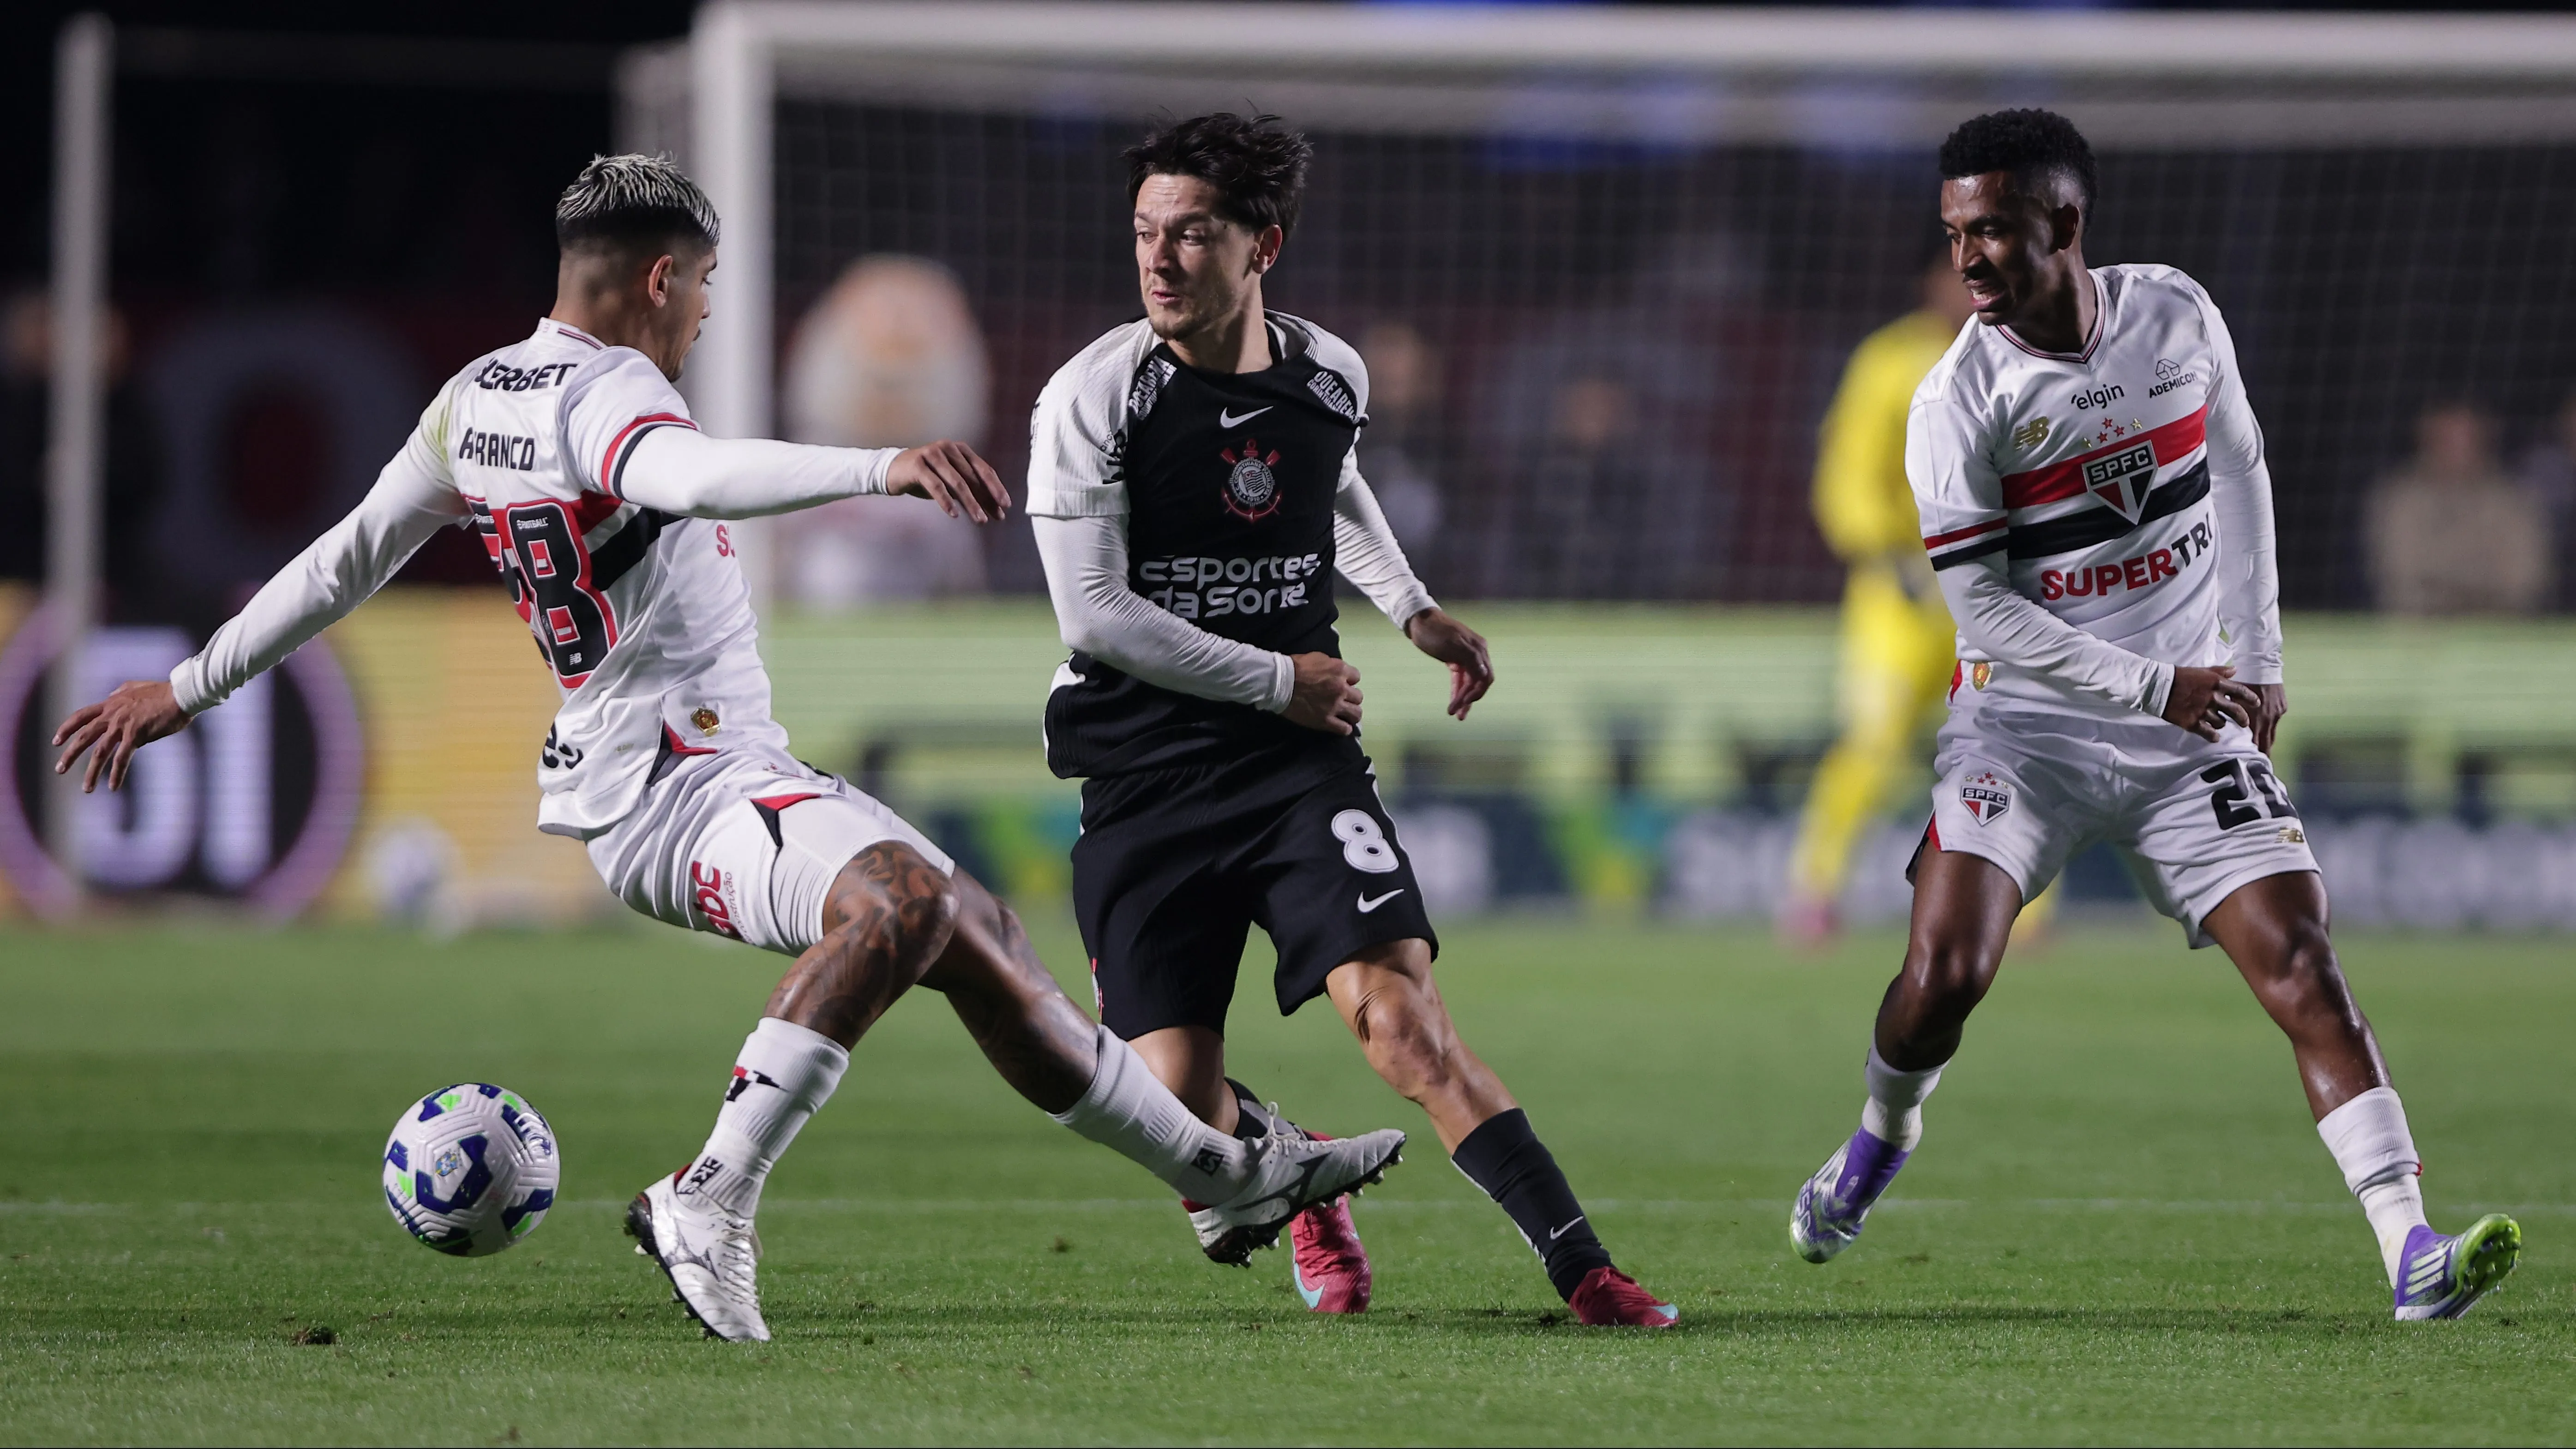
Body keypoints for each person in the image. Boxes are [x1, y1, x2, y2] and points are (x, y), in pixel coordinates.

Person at [50, 154, 1404, 1344]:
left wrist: (184, 683)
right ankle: (710, 1194)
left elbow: (342, 560)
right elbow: (685, 478)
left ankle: (1237, 1174)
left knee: (977, 933)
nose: (706, 315)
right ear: (658, 277)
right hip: (680, 779)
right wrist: (874, 466)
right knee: (905, 900)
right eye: (703, 288)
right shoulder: (609, 392)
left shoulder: (478, 400)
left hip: (675, 771)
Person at [1785, 110, 2521, 1321]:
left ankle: (2408, 1250)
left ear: (2065, 225)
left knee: (2302, 965)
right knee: (1944, 972)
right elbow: (1978, 610)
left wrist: (2256, 657)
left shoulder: (2175, 316)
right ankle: (1878, 1136)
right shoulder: (1954, 398)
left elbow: (2239, 468)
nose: (1967, 258)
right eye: (1953, 233)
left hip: (2190, 736)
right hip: (2023, 735)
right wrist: (2152, 682)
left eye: (1994, 232)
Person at [1024, 112, 1675, 1326]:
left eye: (1192, 236)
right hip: (1142, 779)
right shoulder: (1092, 397)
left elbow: (1334, 487)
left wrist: (1410, 609)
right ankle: (1301, 1175)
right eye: (1144, 235)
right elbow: (1099, 618)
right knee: (1173, 1113)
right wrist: (1283, 676)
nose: (1159, 260)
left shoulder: (1326, 375)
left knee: (1399, 1020)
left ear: (1259, 246)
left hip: (1292, 770)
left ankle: (1582, 1266)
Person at [1780, 251, 1978, 945]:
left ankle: (2024, 907)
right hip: (1899, 595)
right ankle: (1815, 890)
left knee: (2009, 741)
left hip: (1989, 591)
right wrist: (1881, 550)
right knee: (1872, 741)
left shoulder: (2022, 359)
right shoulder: (1888, 361)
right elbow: (1848, 474)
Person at [2366, 400, 2551, 616]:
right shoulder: (2398, 498)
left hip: (2499, 632)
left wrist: (2464, 598)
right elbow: (2400, 581)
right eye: (2447, 438)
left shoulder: (2516, 500)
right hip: (2420, 633)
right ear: (2425, 438)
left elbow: (2526, 582)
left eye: (2467, 437)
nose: (2458, 448)